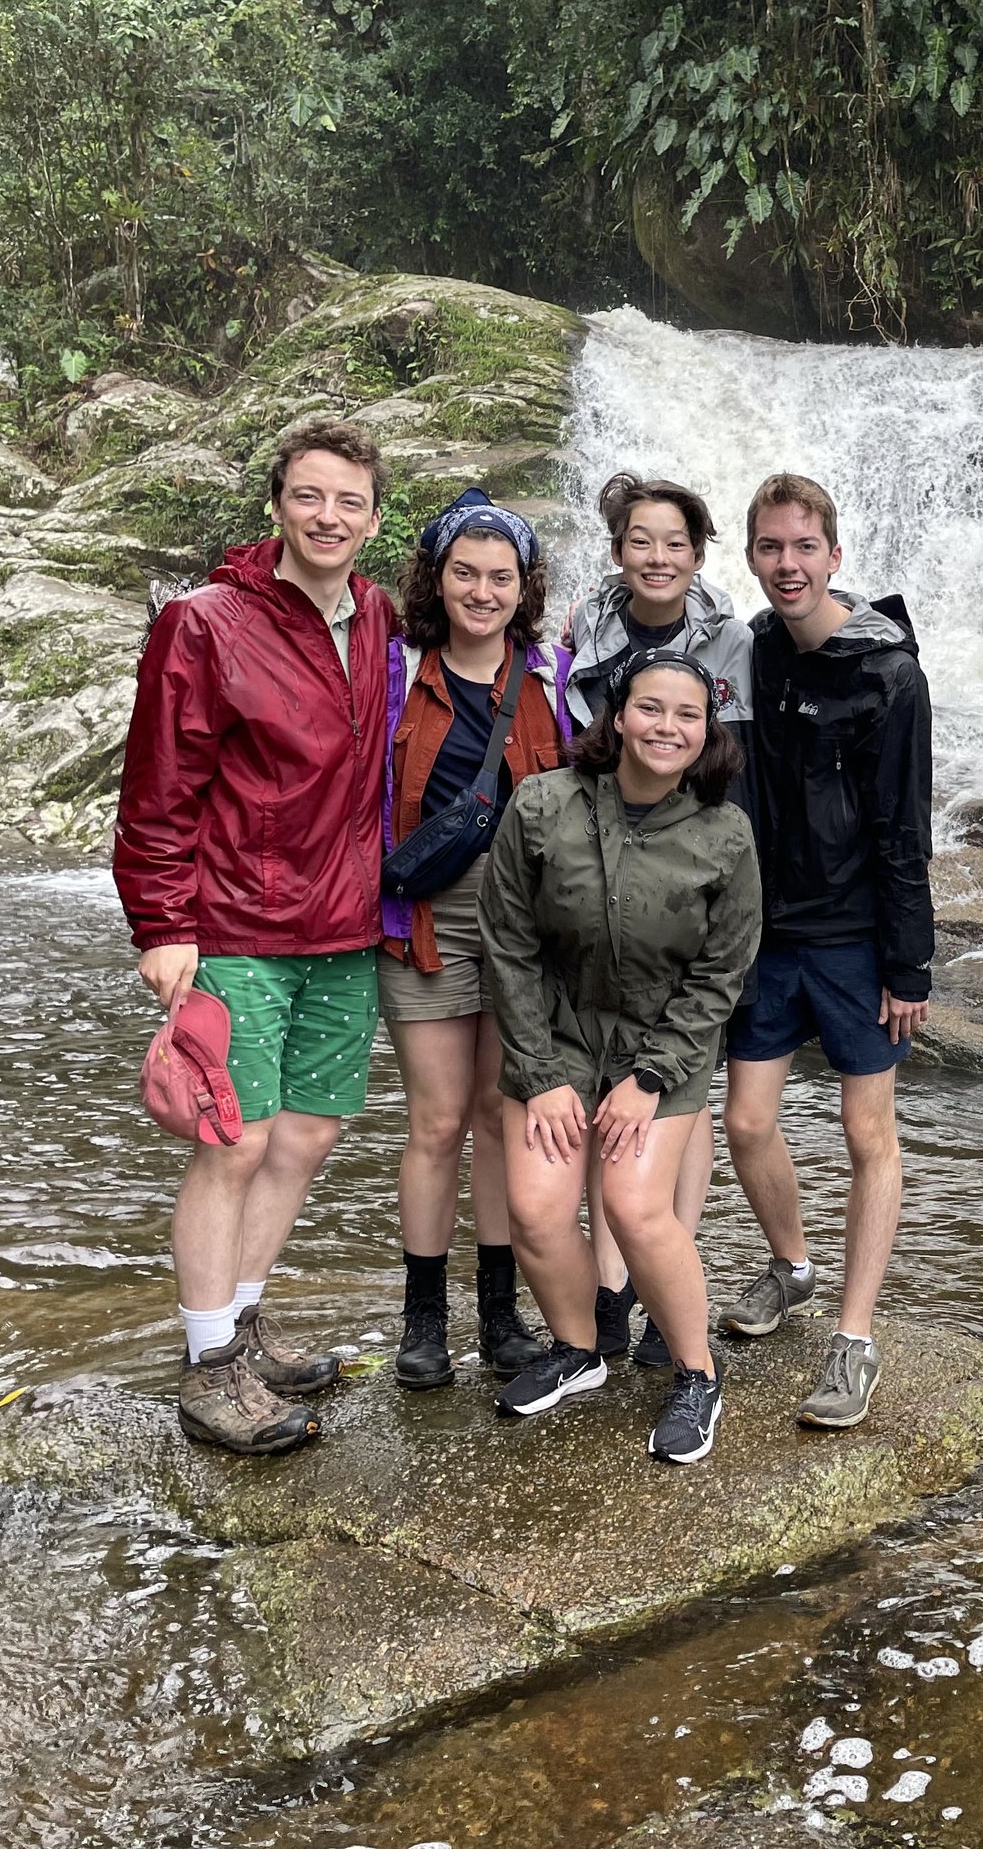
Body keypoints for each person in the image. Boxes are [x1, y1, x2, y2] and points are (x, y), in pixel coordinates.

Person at [114, 417, 396, 1456]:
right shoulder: (205, 622)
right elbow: (157, 786)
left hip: (345, 923)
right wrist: (161, 921)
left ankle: (241, 1329)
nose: (329, 516)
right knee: (232, 1142)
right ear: (277, 502)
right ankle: (206, 1369)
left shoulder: (374, 616)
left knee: (306, 1135)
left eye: (350, 502)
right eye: (310, 495)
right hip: (234, 919)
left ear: (373, 518)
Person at [481, 650, 761, 1461]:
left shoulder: (725, 832)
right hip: (556, 1035)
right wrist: (538, 1075)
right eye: (651, 708)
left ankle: (697, 1373)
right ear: (616, 714)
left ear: (707, 731)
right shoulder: (541, 804)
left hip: (660, 1046)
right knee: (535, 1208)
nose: (666, 727)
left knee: (637, 1208)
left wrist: (649, 1079)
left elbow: (721, 972)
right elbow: (508, 946)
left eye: (687, 715)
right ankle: (579, 1349)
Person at [717, 473, 934, 1432]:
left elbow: (905, 823)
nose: (787, 565)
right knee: (747, 1122)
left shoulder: (889, 672)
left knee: (865, 1135)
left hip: (855, 940)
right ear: (753, 556)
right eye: (770, 548)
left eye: (804, 547)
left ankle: (854, 1338)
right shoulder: (755, 649)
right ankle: (793, 1266)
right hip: (769, 930)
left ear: (835, 555)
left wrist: (910, 962)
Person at [560, 473, 755, 1371]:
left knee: (685, 1098)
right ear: (617, 549)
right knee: (613, 1093)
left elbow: (742, 771)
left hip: (699, 881)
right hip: (605, 882)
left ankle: (664, 1267)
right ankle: (611, 1287)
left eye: (676, 541)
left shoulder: (731, 640)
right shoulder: (585, 629)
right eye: (642, 539)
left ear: (699, 553)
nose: (659, 557)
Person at [377, 488, 568, 1391]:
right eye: (466, 573)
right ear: (438, 577)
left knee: (500, 1119)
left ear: (522, 587)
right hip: (423, 917)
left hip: (527, 925)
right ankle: (424, 1321)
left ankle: (500, 1315)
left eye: (501, 577)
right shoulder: (389, 674)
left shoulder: (556, 681)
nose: (483, 591)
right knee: (437, 1120)